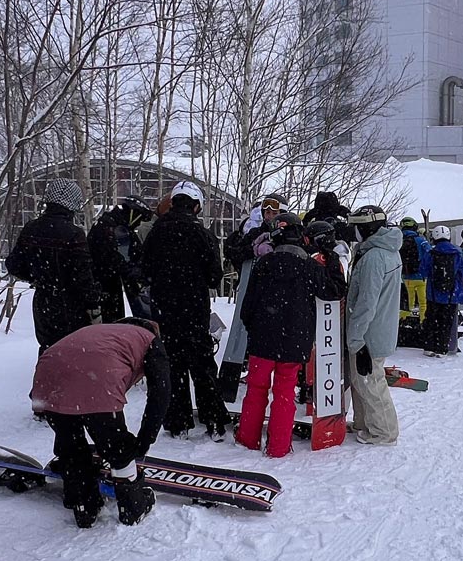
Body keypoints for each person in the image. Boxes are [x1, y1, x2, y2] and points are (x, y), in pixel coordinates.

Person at [30, 320, 170, 529]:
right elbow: (161, 393)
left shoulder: (103, 332)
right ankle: (132, 506)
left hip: (47, 378)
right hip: (96, 378)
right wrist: (144, 441)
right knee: (117, 447)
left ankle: (83, 504)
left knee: (70, 443)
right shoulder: (149, 340)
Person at [236, 218, 345, 457]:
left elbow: (247, 306)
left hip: (262, 338)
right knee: (285, 393)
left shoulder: (264, 264)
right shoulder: (310, 266)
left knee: (255, 389)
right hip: (295, 340)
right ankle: (278, 447)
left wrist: (254, 328)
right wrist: (331, 257)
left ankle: (247, 439)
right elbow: (335, 291)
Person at [139, 180, 230, 438]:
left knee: (172, 365)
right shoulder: (202, 234)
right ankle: (214, 420)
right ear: (196, 206)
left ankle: (178, 422)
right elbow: (214, 277)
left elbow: (144, 271)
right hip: (194, 308)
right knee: (202, 365)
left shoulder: (156, 233)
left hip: (164, 309)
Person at [6, 177, 103, 353]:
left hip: (42, 302)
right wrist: (93, 303)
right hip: (71, 304)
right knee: (73, 351)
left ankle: (46, 370)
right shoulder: (74, 234)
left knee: (47, 348)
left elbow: (13, 265)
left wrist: (37, 278)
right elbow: (83, 277)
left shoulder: (31, 228)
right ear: (73, 204)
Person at [343, 205, 403, 445]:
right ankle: (364, 422)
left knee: (371, 381)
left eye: (356, 227)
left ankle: (384, 431)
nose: (354, 233)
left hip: (370, 332)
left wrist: (356, 338)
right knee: (361, 380)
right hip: (380, 326)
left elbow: (366, 302)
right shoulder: (386, 250)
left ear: (367, 228)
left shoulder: (374, 257)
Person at [218, 192, 285, 401]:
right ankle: (235, 380)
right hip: (254, 290)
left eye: (274, 212)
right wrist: (253, 250)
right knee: (244, 331)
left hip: (278, 295)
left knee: (273, 337)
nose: (270, 216)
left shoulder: (288, 234)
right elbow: (235, 252)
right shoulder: (256, 232)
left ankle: (275, 385)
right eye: (267, 212)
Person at [89, 194, 153, 322]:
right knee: (109, 324)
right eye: (139, 219)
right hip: (102, 286)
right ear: (133, 213)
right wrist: (130, 270)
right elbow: (111, 257)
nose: (138, 224)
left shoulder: (122, 228)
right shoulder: (108, 227)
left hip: (112, 285)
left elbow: (137, 253)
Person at [424, 226, 463, 356]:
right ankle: (442, 347)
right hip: (451, 294)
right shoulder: (457, 253)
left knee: (431, 320)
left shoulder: (431, 253)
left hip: (433, 294)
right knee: (446, 322)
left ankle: (429, 346)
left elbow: (423, 270)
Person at [397, 216, 431, 349]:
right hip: (421, 277)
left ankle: (401, 325)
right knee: (423, 303)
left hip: (405, 277)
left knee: (407, 304)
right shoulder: (421, 240)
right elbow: (429, 253)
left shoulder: (399, 240)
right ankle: (423, 325)